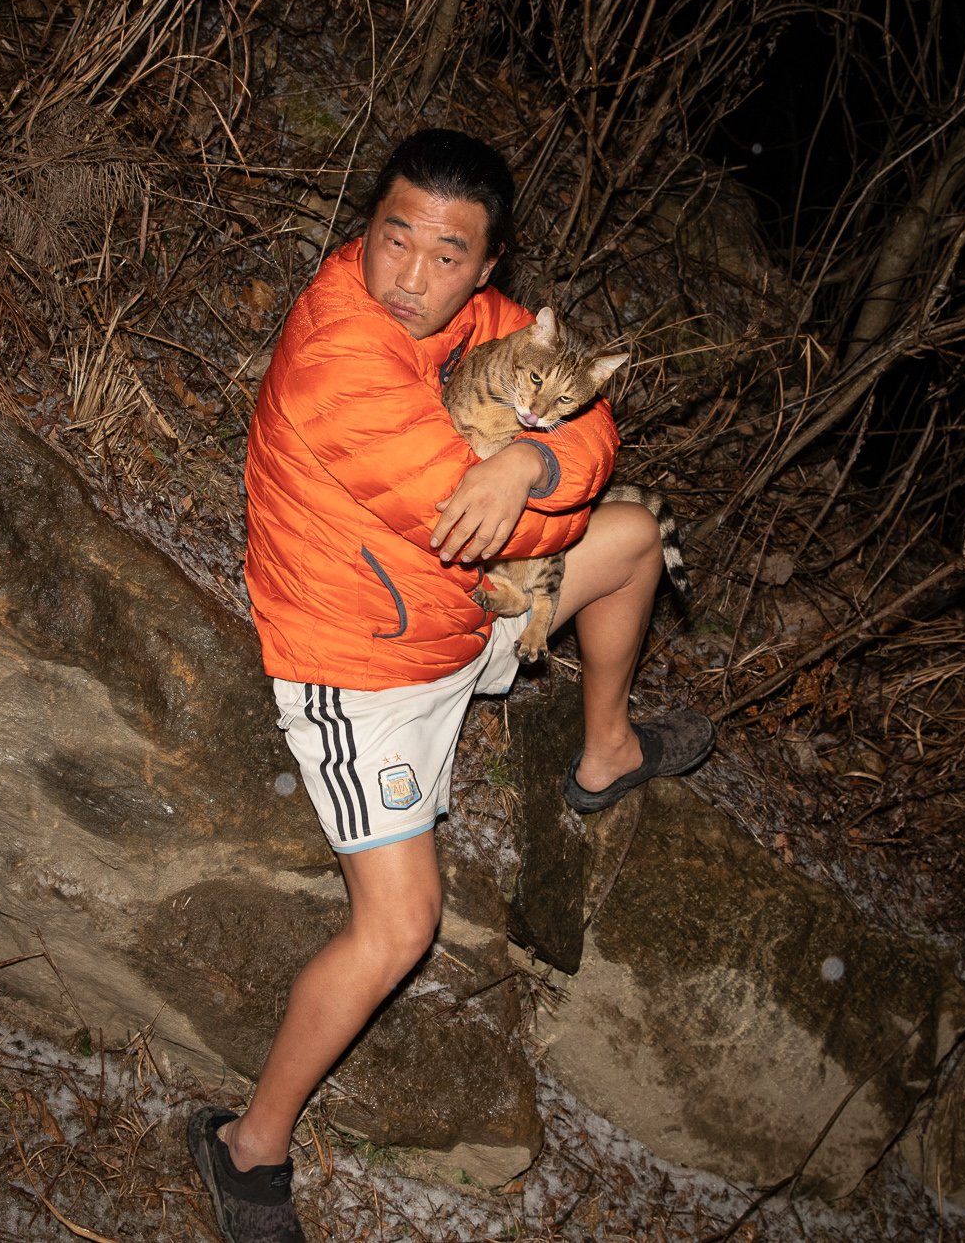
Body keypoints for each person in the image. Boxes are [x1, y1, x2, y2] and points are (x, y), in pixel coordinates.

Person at [187, 129, 714, 1243]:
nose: (409, 276)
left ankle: (604, 753)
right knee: (401, 927)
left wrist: (528, 456)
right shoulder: (342, 355)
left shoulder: (483, 320)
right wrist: (529, 481)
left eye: (445, 256)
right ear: (367, 227)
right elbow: (495, 524)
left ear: (487, 269)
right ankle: (248, 1147)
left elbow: (588, 420)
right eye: (394, 239)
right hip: (362, 664)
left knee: (630, 540)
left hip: (458, 613)